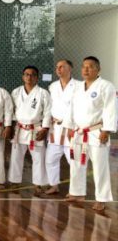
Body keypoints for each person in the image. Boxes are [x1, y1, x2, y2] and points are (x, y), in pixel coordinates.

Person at [64, 56, 117, 211]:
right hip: (78, 131)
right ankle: (77, 192)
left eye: (91, 66)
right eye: (84, 66)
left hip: (96, 131)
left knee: (100, 166)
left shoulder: (106, 86)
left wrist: (106, 130)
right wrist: (68, 127)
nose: (86, 69)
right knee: (76, 164)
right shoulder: (78, 87)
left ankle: (102, 198)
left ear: (98, 69)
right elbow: (71, 108)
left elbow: (110, 109)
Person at [8, 66, 51, 196]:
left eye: (32, 75)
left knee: (38, 157)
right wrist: (9, 126)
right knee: (16, 157)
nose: (29, 77)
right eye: (26, 74)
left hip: (36, 128)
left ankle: (38, 184)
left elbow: (48, 112)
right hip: (19, 128)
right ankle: (15, 182)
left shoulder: (43, 93)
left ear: (37, 77)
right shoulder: (16, 92)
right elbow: (11, 111)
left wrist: (45, 128)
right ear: (23, 76)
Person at [45, 60, 78, 195]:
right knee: (50, 159)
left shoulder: (79, 86)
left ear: (70, 69)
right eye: (57, 67)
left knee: (73, 161)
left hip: (71, 128)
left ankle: (76, 189)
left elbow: (80, 108)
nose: (58, 69)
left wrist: (74, 126)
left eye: (62, 67)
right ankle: (54, 185)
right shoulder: (52, 86)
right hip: (55, 129)